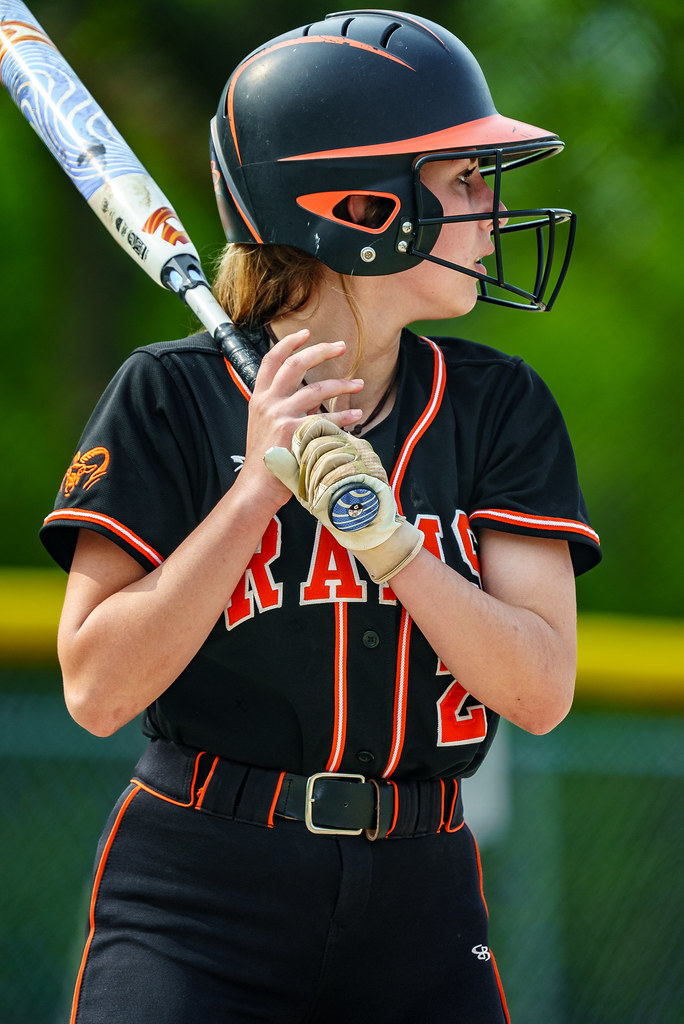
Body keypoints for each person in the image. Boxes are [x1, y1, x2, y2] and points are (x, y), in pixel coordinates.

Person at [41, 10, 601, 1024]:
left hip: (421, 896)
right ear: (357, 207)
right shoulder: (170, 395)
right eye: (464, 179)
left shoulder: (498, 408)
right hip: (198, 891)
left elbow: (539, 687)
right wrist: (256, 490)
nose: (493, 207)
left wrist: (396, 551)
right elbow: (95, 688)